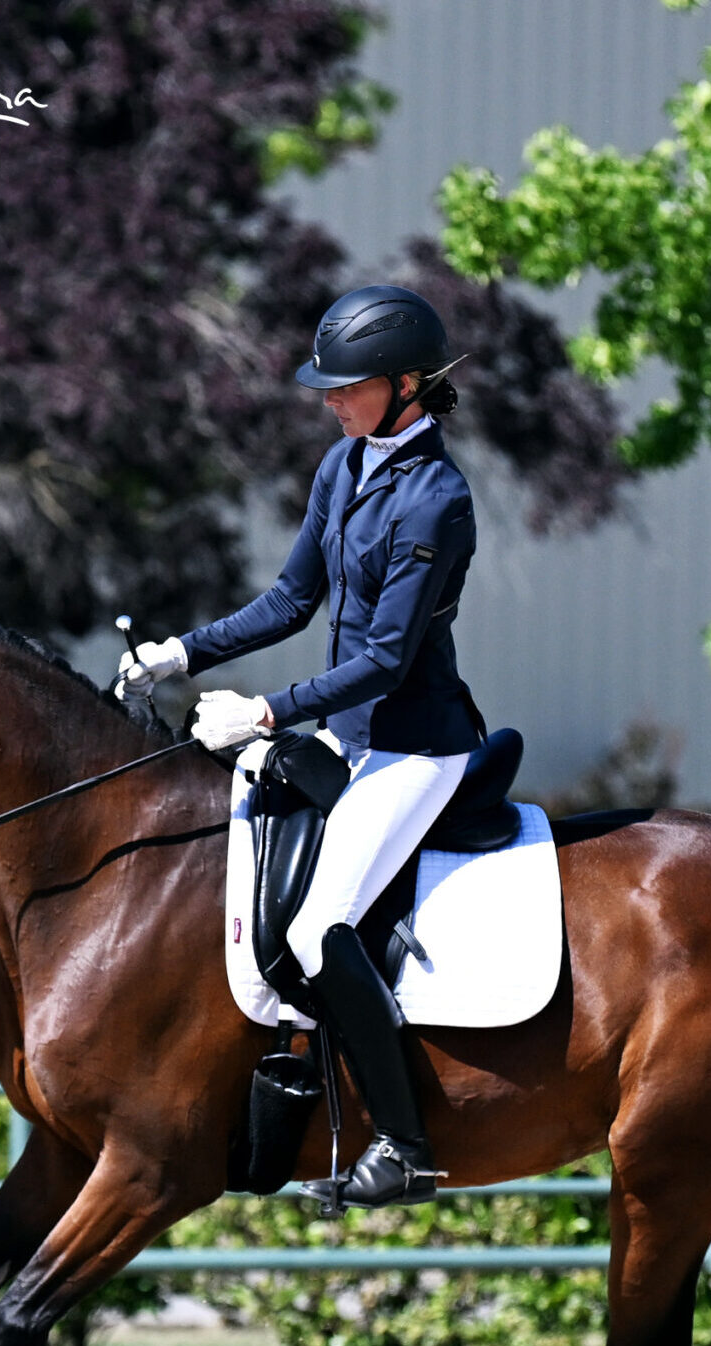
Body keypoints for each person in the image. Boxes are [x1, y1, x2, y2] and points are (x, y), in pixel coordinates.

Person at [115, 283, 480, 1209]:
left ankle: (404, 1147)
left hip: (413, 747)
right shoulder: (344, 467)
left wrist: (269, 712)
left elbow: (387, 661)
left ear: (406, 386)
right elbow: (290, 601)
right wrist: (182, 652)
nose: (330, 399)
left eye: (347, 385)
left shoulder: (436, 499)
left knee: (323, 928)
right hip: (347, 737)